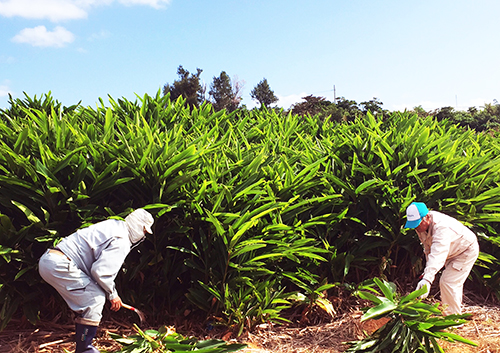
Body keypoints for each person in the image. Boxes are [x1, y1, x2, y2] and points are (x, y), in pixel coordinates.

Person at [38, 208, 154, 353]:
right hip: (60, 265)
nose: (143, 237)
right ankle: (85, 349)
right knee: (95, 299)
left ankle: (83, 344)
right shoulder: (122, 240)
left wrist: (110, 292)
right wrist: (113, 295)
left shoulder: (114, 225)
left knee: (91, 296)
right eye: (144, 231)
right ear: (139, 226)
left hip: (52, 260)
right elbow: (101, 272)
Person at [404, 202, 479, 315]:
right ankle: (453, 314)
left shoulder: (442, 228)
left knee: (448, 282)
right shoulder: (422, 227)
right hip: (451, 250)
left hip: (465, 251)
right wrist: (427, 274)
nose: (416, 228)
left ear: (427, 217)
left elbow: (438, 253)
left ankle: (453, 320)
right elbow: (429, 250)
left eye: (418, 224)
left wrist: (428, 279)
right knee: (447, 281)